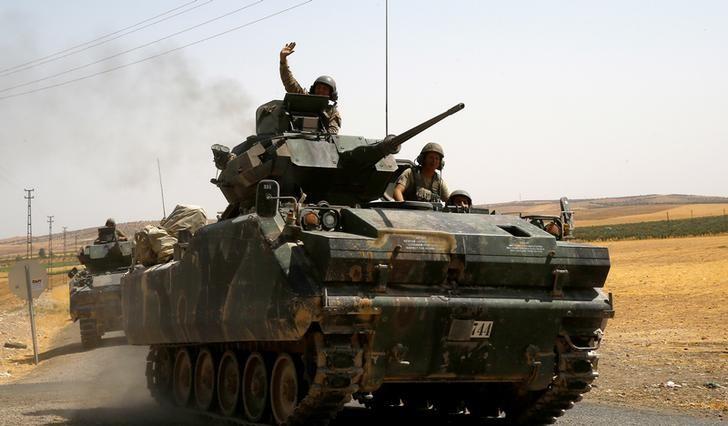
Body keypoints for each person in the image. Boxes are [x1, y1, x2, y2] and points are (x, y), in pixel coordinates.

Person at [279, 41, 341, 134]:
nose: (320, 91)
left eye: (325, 89)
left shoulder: (331, 112)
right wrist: (283, 60)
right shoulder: (304, 99)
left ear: (331, 94)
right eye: (319, 87)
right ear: (314, 89)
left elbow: (332, 132)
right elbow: (290, 83)